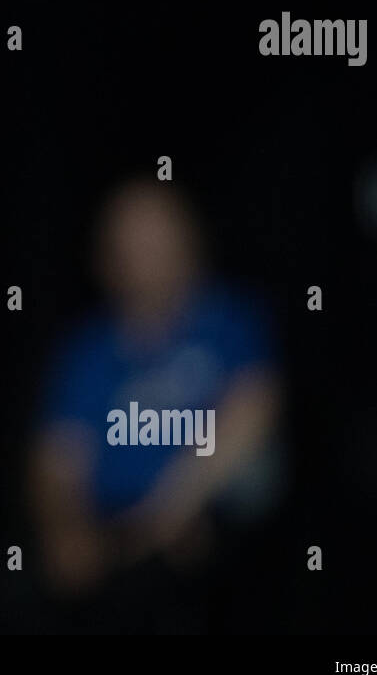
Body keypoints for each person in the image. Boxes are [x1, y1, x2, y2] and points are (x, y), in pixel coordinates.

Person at [26, 177, 284, 632]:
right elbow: (57, 462)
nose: (148, 255)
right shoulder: (87, 351)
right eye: (129, 241)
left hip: (211, 533)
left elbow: (255, 410)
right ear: (105, 257)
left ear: (191, 240)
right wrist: (65, 529)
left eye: (160, 235)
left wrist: (176, 505)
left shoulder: (229, 322)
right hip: (115, 545)